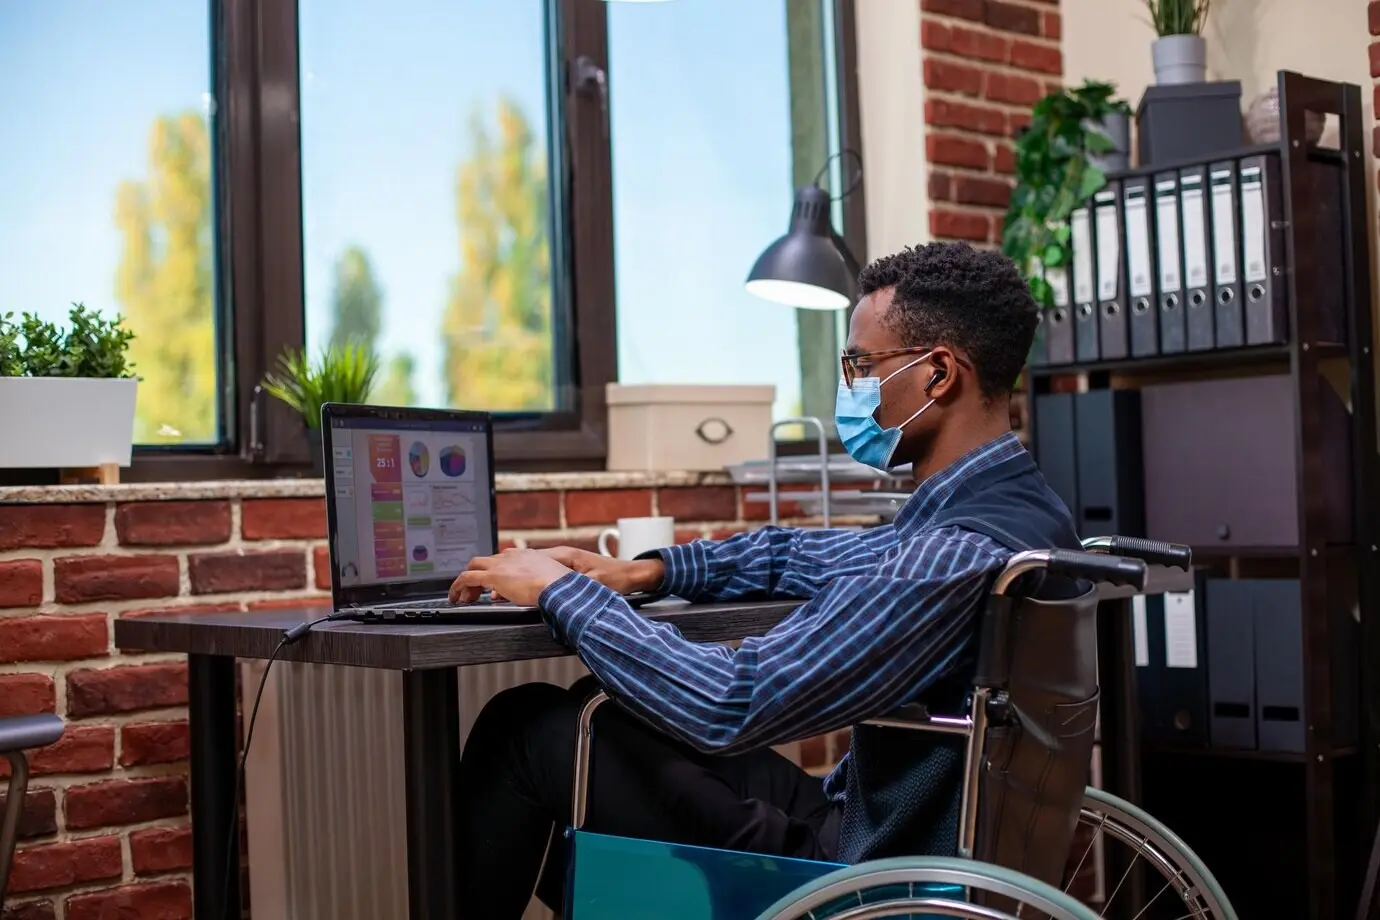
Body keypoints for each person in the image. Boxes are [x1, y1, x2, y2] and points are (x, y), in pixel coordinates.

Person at [449, 241, 1081, 917]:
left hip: (863, 873)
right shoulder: (1015, 511)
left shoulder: (949, 554)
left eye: (864, 365)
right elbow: (797, 556)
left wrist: (557, 591)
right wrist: (650, 570)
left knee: (530, 732)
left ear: (938, 375)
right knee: (590, 711)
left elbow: (732, 702)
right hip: (893, 822)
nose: (852, 385)